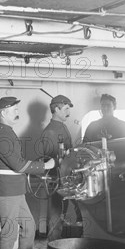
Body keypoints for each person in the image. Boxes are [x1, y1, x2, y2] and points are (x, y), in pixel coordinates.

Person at [0, 97, 55, 249]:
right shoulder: (2, 135)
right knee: (9, 232)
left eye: (18, 108)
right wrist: (45, 165)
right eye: (14, 109)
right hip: (6, 191)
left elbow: (17, 162)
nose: (18, 112)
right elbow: (18, 165)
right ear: (3, 113)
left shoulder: (8, 133)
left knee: (28, 227)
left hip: (15, 189)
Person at [38, 94, 81, 238]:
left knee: (67, 213)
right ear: (56, 109)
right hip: (57, 180)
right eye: (66, 109)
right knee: (56, 216)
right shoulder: (50, 131)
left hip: (67, 178)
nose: (68, 113)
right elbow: (49, 161)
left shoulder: (62, 127)